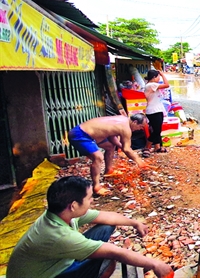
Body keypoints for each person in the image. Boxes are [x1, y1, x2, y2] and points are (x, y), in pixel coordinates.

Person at [6, 176, 173, 278]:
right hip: (49, 275)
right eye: (89, 198)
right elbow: (116, 251)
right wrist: (154, 264)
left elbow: (105, 216)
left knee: (106, 227)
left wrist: (135, 223)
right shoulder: (60, 236)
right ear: (73, 205)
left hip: (54, 262)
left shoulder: (60, 214)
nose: (92, 201)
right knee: (109, 257)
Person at [68, 114, 149, 196]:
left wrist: (121, 146)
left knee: (110, 146)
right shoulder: (126, 129)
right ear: (135, 122)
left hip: (84, 133)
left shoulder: (123, 119)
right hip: (80, 134)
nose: (140, 129)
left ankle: (109, 170)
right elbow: (127, 149)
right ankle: (96, 187)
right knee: (98, 157)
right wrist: (140, 162)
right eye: (141, 127)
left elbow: (111, 136)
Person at [144, 70, 170, 154]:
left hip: (157, 110)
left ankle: (157, 147)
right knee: (156, 131)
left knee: (157, 129)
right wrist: (162, 74)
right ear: (154, 77)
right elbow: (167, 85)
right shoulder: (151, 85)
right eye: (158, 77)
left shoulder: (151, 85)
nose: (159, 78)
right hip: (153, 111)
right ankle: (147, 147)